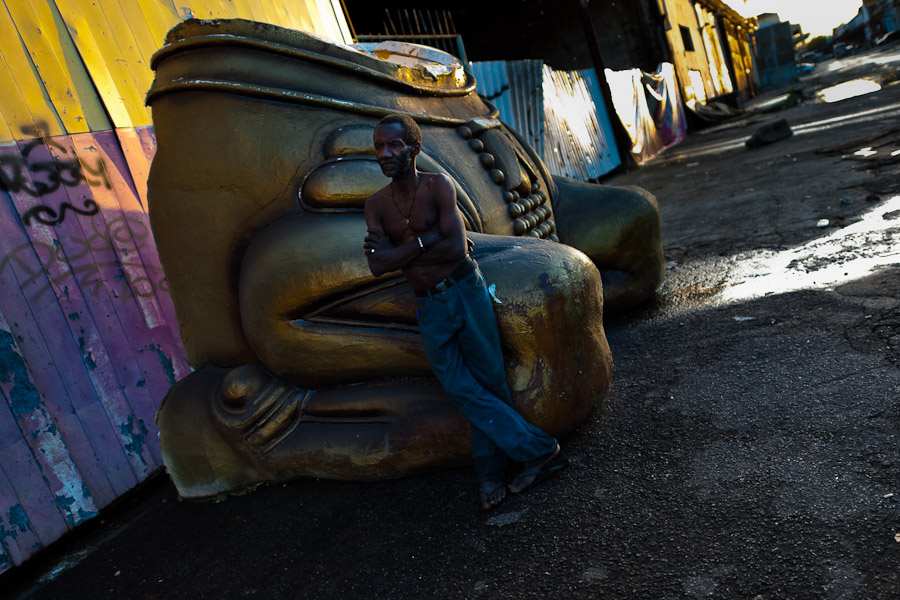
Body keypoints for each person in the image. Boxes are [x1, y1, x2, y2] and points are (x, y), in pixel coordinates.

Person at [363, 114, 567, 510]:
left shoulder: (438, 185)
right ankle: (538, 450)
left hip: (464, 289)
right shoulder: (376, 206)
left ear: (414, 148)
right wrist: (428, 239)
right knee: (459, 387)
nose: (385, 154)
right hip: (430, 305)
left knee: (489, 381)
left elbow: (456, 248)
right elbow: (377, 265)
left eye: (394, 145)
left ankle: (491, 476)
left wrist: (401, 251)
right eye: (379, 147)